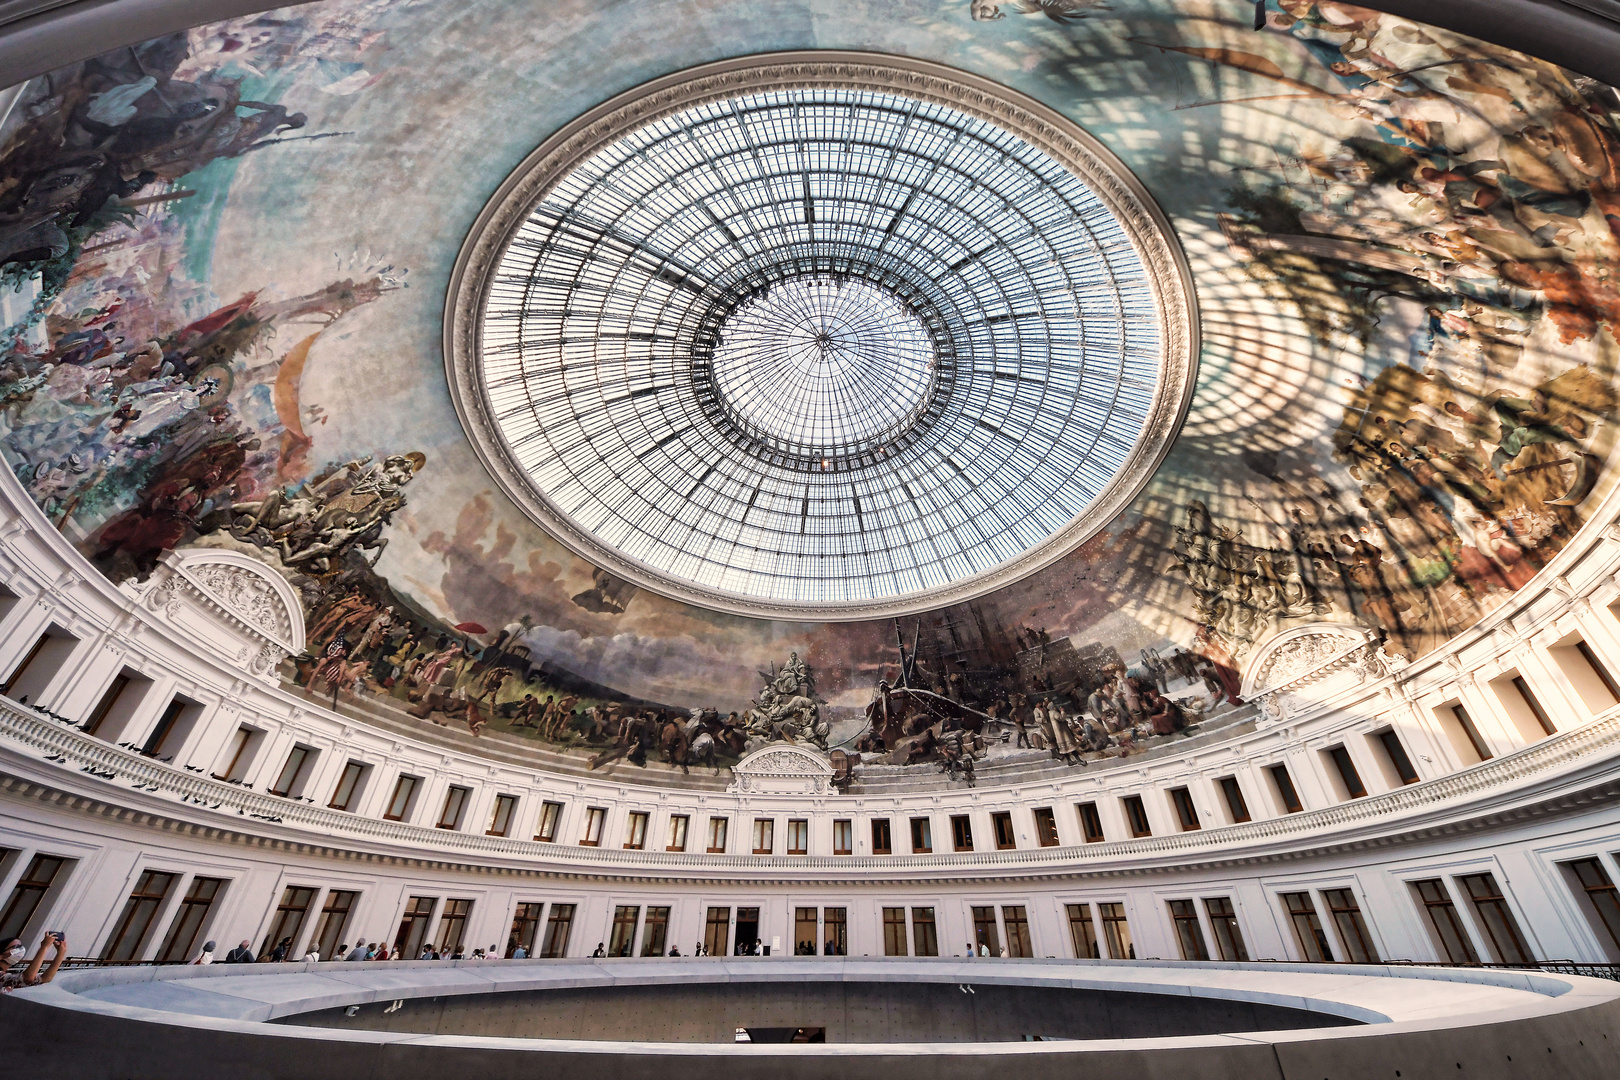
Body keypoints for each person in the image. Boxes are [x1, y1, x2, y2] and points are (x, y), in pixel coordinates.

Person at [0, 933, 66, 991]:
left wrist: (61, 952)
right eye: (16, 947)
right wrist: (44, 947)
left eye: (21, 947)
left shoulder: (7, 974)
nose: (19, 950)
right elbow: (28, 978)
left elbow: (44, 979)